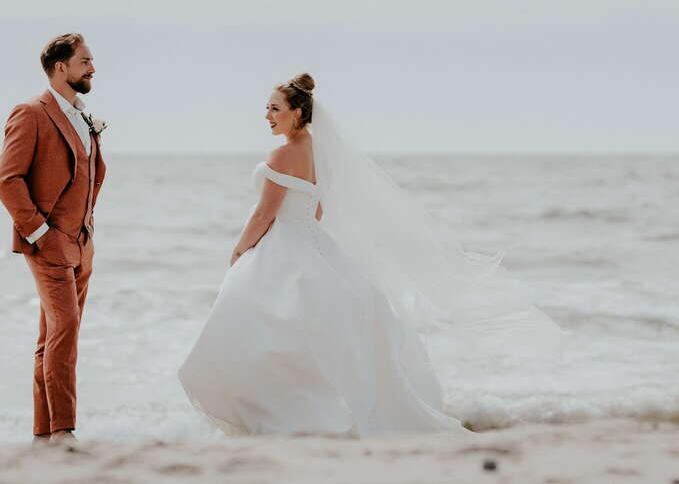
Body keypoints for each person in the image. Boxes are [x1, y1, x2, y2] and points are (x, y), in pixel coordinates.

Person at [179, 73, 498, 436]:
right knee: (304, 336)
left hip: (284, 246)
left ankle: (281, 417)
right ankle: (318, 413)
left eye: (275, 109)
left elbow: (265, 213)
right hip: (316, 245)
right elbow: (317, 211)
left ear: (298, 112)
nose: (267, 115)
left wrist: (240, 250)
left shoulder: (282, 154)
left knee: (256, 328)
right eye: (266, 108)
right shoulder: (321, 152)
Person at [0, 33, 107, 444]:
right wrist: (41, 233)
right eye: (85, 61)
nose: (93, 67)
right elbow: (8, 181)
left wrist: (86, 230)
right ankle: (64, 429)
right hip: (49, 243)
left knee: (53, 336)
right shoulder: (31, 113)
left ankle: (44, 432)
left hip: (83, 243)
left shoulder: (83, 115)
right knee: (66, 327)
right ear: (61, 67)